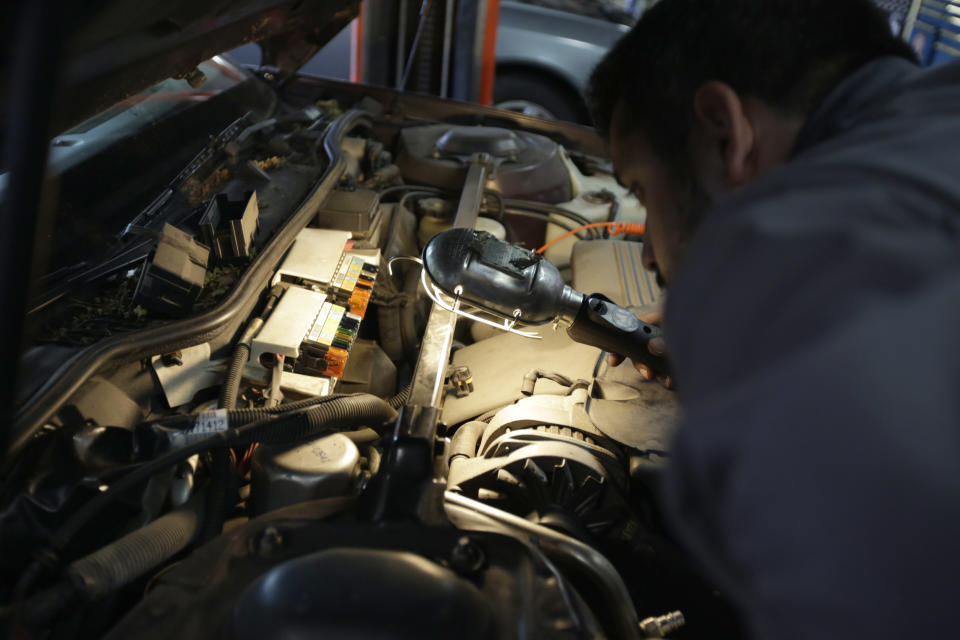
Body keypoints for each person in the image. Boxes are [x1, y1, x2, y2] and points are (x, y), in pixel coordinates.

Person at [588, 1, 960, 637]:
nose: (647, 252)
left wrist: (736, 318)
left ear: (724, 132)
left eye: (645, 192)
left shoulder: (783, 260)